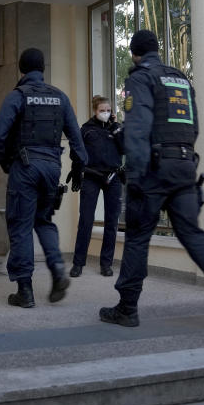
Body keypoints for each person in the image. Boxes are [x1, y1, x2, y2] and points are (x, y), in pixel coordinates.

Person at [98, 30, 204, 336]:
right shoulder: (180, 79)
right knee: (193, 235)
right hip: (184, 167)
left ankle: (127, 308)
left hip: (154, 168)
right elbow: (193, 126)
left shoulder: (141, 78)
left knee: (138, 236)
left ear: (134, 54)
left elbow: (138, 128)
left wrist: (138, 175)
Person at [0, 48, 88, 308]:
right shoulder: (60, 97)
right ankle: (57, 270)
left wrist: (5, 162)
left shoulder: (18, 95)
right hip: (52, 167)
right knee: (43, 221)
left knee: (21, 225)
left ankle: (25, 291)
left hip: (26, 167)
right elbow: (78, 141)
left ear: (21, 69)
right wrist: (78, 168)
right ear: (42, 69)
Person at [69, 95, 125, 278]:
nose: (105, 113)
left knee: (111, 222)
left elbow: (125, 149)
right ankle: (78, 264)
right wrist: (77, 172)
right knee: (86, 220)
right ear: (95, 111)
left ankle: (106, 264)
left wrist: (117, 129)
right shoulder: (85, 130)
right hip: (92, 177)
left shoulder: (116, 128)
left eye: (108, 110)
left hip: (113, 177)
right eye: (102, 110)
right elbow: (75, 153)